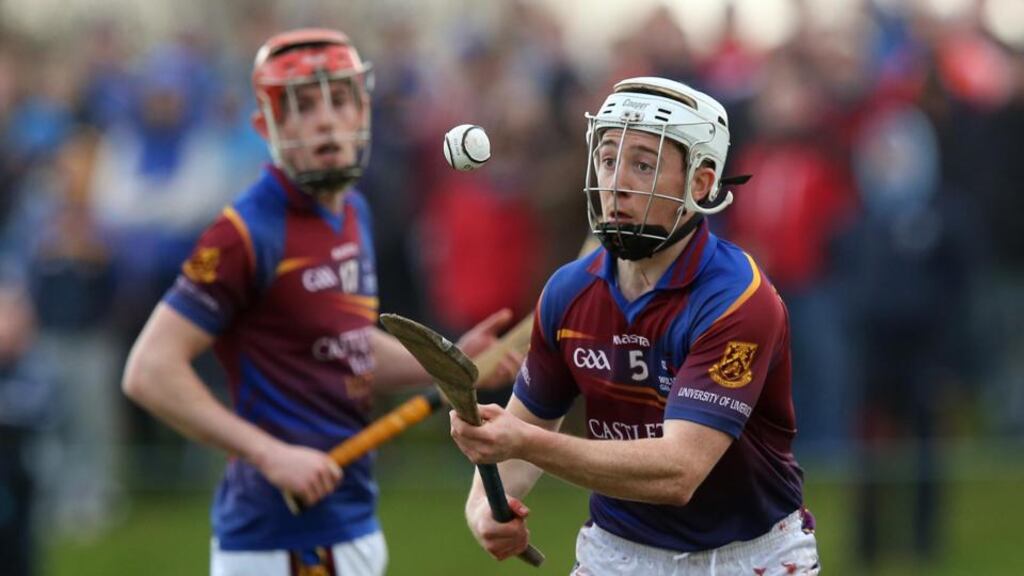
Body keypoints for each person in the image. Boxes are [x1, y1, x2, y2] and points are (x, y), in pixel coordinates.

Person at [122, 28, 516, 576]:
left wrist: (447, 359)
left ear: (363, 111)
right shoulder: (245, 231)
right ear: (267, 126)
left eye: (340, 100)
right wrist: (270, 454)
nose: (326, 119)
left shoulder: (352, 210)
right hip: (280, 535)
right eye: (303, 106)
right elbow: (149, 370)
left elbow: (344, 345)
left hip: (349, 515)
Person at [450, 77, 821, 575]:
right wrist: (482, 514)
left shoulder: (739, 299)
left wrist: (522, 442)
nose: (616, 182)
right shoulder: (567, 293)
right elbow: (520, 434)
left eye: (642, 164)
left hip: (749, 556)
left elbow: (678, 472)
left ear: (702, 183)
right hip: (617, 552)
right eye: (608, 159)